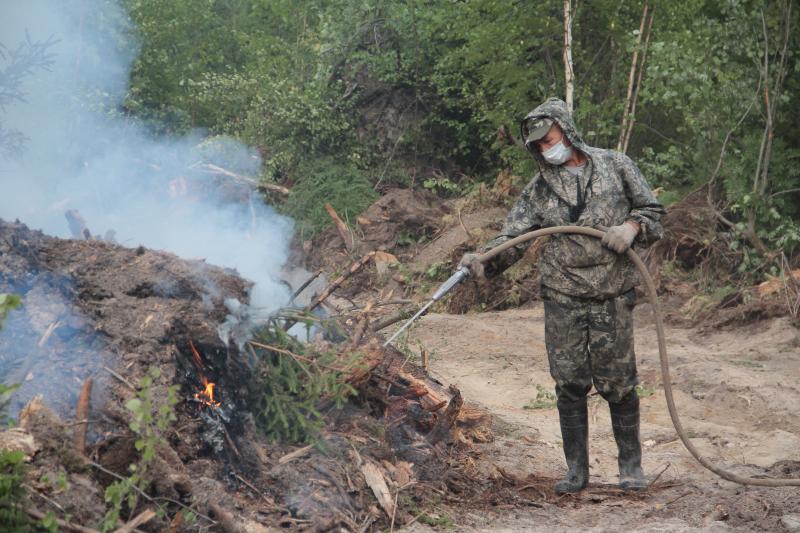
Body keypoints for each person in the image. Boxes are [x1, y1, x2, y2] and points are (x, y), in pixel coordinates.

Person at [460, 97, 664, 493]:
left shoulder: (616, 165)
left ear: (567, 131)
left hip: (612, 290)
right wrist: (484, 259)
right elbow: (514, 237)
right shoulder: (539, 189)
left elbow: (653, 212)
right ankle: (577, 471)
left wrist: (632, 228)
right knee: (569, 382)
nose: (545, 148)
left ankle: (631, 467)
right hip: (562, 293)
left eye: (548, 139)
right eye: (537, 145)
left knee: (619, 381)